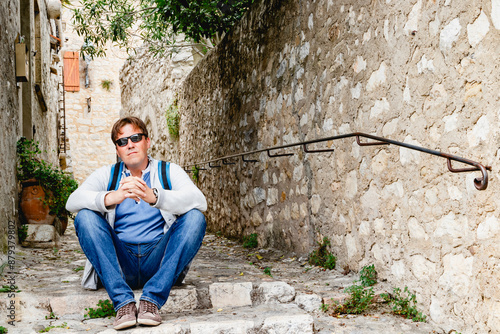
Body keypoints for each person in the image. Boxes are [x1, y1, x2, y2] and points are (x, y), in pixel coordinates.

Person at [66, 116, 207, 330]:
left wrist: (155, 197)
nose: (129, 144)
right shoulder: (108, 175)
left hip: (158, 260)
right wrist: (112, 197)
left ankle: (151, 300)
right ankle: (123, 303)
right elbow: (72, 201)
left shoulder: (168, 171)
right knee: (85, 216)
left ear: (147, 142)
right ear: (117, 149)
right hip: (121, 262)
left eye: (135, 138)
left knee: (196, 217)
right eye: (122, 141)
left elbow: (199, 200)